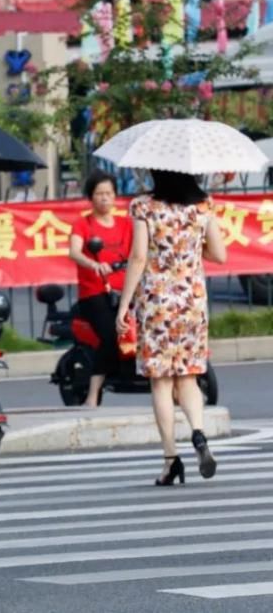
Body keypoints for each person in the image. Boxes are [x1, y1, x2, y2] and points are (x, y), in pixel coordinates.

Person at [116, 170, 226, 486]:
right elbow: (219, 254)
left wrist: (124, 305)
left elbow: (138, 257)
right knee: (188, 377)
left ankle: (170, 459)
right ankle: (198, 432)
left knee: (162, 384)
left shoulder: (144, 206)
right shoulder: (203, 205)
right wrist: (190, 247)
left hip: (157, 303)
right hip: (192, 302)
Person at [69, 170, 133, 407]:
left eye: (109, 193)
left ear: (115, 196)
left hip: (125, 291)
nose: (105, 198)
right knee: (111, 334)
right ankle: (93, 393)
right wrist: (94, 264)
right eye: (99, 193)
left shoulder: (127, 224)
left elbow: (139, 253)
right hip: (95, 293)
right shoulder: (83, 224)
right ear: (90, 197)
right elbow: (74, 252)